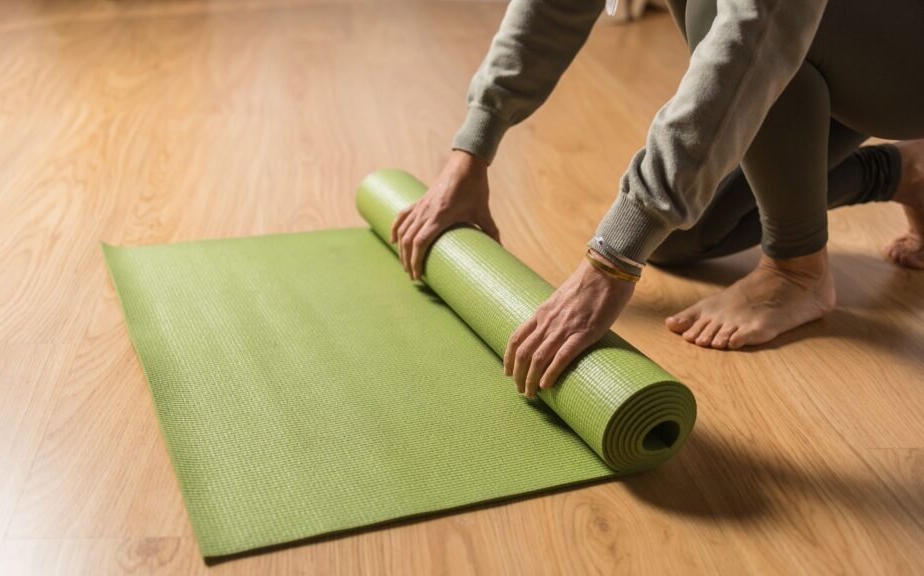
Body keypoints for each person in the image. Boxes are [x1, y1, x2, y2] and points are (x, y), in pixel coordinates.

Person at [391, 0, 924, 398]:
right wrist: (472, 150)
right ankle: (903, 172)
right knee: (680, 235)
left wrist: (612, 259)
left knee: (712, 8)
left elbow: (755, 30)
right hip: (826, 41)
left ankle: (798, 271)